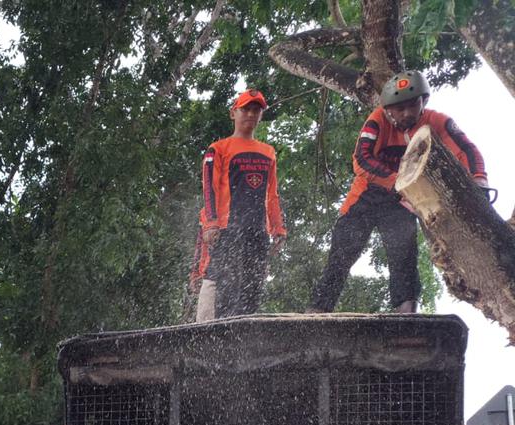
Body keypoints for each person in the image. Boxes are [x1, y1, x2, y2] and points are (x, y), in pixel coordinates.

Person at [311, 70, 488, 314]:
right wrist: (398, 183)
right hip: (366, 196)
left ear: (423, 101)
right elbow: (361, 159)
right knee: (342, 252)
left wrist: (478, 180)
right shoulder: (376, 121)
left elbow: (467, 149)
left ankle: (406, 311)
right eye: (399, 108)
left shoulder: (437, 121)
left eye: (412, 105)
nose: (406, 113)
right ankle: (318, 310)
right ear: (388, 109)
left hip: (402, 203)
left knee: (403, 252)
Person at [197, 89, 287, 320]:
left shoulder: (268, 152)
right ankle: (208, 330)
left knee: (253, 286)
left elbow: (272, 193)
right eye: (245, 108)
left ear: (261, 116)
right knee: (222, 281)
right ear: (233, 113)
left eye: (256, 110)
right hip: (227, 228)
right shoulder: (218, 148)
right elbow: (209, 187)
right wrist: (211, 223)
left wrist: (277, 228)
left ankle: (243, 336)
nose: (250, 114)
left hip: (257, 229)